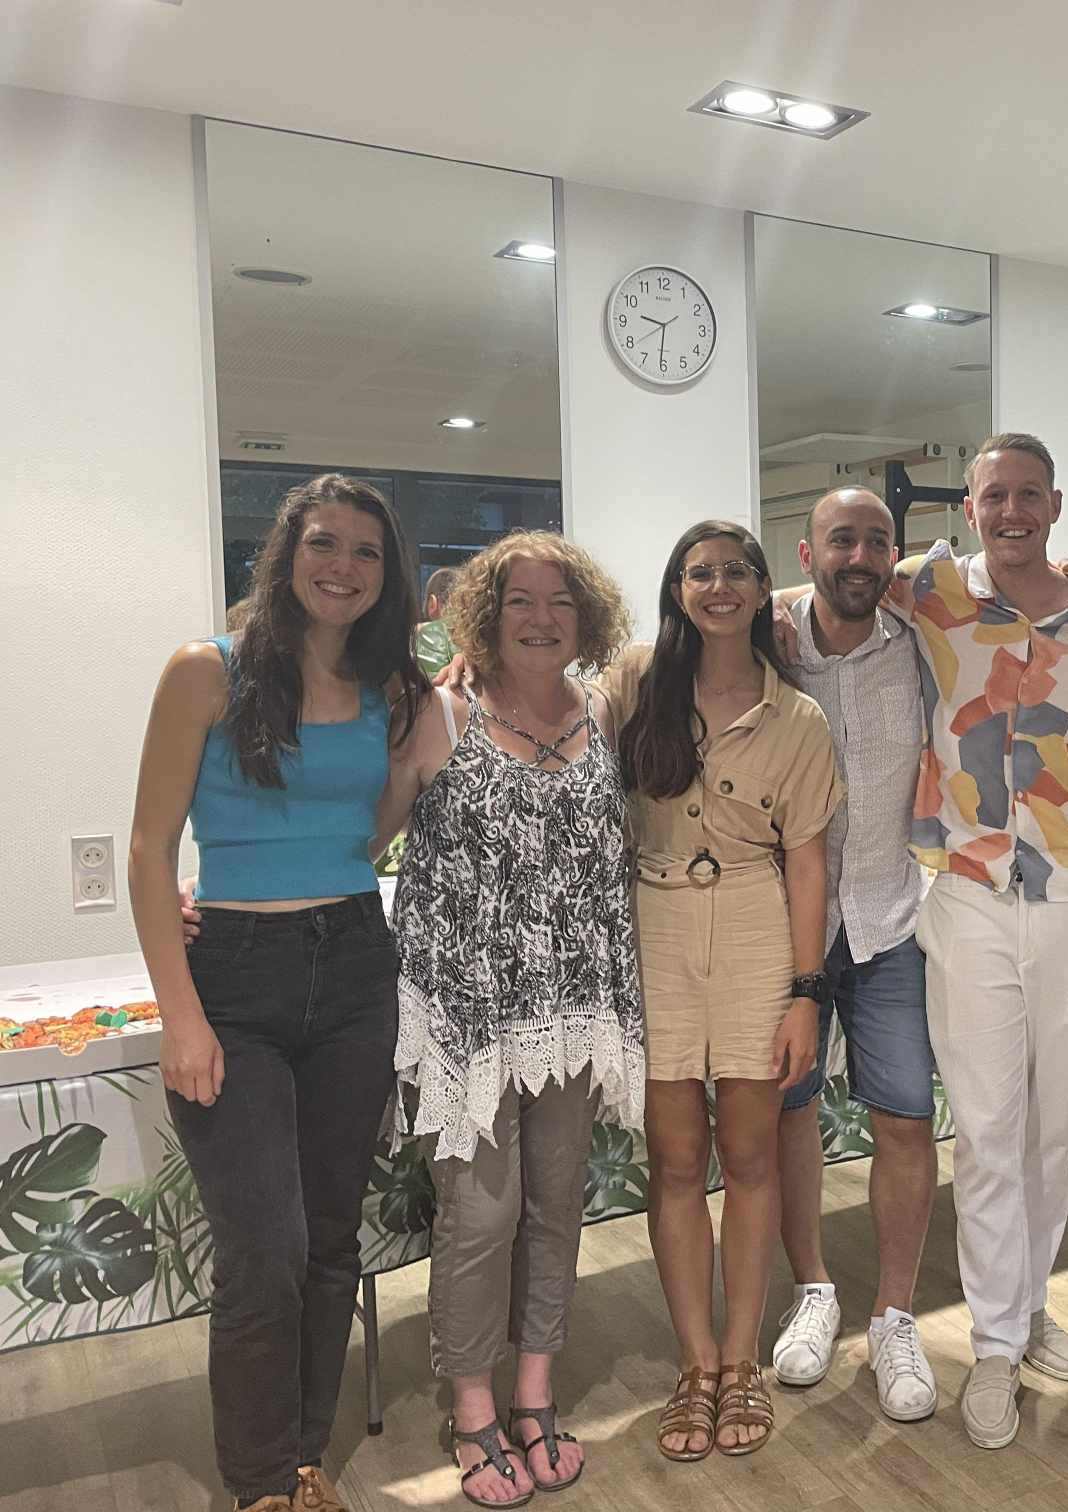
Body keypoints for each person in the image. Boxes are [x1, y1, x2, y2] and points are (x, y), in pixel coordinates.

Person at [128, 474, 427, 1512]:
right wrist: (180, 1012)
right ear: (287, 554)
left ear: (388, 575)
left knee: (332, 1234)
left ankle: (303, 1458)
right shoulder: (205, 670)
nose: (343, 568)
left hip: (353, 963)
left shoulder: (389, 688)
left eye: (366, 552)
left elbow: (362, 836)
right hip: (235, 978)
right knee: (265, 1248)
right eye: (324, 544)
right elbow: (148, 847)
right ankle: (257, 1484)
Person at [382, 533, 643, 1505]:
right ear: (484, 617)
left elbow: (748, 612)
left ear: (587, 617)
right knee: (481, 1217)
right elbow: (360, 835)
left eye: (560, 601)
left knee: (556, 1206)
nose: (541, 618)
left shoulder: (602, 710)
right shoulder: (442, 712)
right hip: (470, 1019)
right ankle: (472, 1410)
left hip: (573, 1010)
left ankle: (535, 1393)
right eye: (519, 601)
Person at [886, 433, 1068, 1449]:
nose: (1012, 511)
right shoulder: (928, 590)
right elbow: (813, 605)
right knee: (987, 1131)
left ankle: (1029, 1314)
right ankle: (993, 1345)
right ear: (971, 506)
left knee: (1050, 1130)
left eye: (1030, 494)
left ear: (1057, 505)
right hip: (972, 890)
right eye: (995, 496)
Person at [607, 520, 840, 1462]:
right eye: (700, 573)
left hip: (754, 921)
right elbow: (549, 712)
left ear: (762, 588)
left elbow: (808, 866)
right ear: (678, 589)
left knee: (749, 1155)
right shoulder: (635, 683)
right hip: (654, 920)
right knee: (674, 1160)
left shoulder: (797, 717)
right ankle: (694, 1365)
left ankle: (742, 1360)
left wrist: (804, 994)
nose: (718, 587)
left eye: (736, 571)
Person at [769, 487, 940, 1423]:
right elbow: (651, 662)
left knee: (906, 1119)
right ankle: (814, 1292)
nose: (861, 557)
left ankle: (896, 1316)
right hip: (783, 929)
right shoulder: (762, 638)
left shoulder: (920, 638)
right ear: (808, 554)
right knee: (790, 1114)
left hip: (888, 919)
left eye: (878, 541)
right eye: (843, 540)